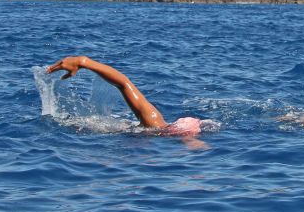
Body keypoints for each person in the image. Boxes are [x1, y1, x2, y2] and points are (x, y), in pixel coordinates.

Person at [46, 56, 208, 146]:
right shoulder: (154, 125)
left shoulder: (154, 123)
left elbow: (124, 83)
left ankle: (83, 62)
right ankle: (83, 62)